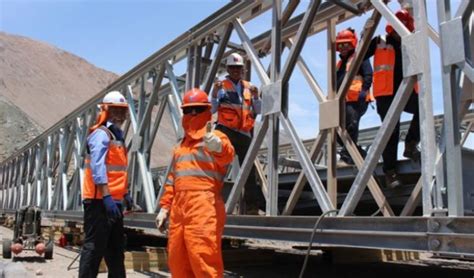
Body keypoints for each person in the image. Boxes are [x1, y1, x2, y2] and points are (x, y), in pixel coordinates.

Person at [155, 89, 235, 278]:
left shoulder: (215, 138)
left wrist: (218, 147)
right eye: (188, 110)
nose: (192, 115)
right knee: (178, 261)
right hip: (179, 210)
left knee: (203, 260)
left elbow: (227, 155)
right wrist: (165, 208)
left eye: (197, 110)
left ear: (206, 110)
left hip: (203, 207)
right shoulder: (181, 147)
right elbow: (172, 180)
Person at [79, 91, 134, 278]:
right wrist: (107, 196)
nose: (120, 114)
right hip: (98, 202)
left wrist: (124, 194)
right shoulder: (101, 134)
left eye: (122, 110)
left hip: (113, 202)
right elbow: (98, 166)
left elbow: (118, 170)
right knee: (94, 249)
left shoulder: (117, 136)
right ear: (106, 110)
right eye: (115, 110)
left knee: (116, 250)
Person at [365, 9, 421, 188]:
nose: (401, 28)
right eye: (399, 24)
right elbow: (361, 54)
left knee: (423, 108)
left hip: (408, 91)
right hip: (386, 93)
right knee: (391, 131)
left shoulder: (411, 43)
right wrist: (365, 34)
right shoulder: (380, 40)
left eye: (404, 25)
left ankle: (411, 144)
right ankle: (390, 172)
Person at [211, 52, 265, 214]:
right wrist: (214, 94)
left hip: (243, 133)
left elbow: (259, 110)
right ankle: (211, 201)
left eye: (239, 68)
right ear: (228, 68)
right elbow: (212, 109)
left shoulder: (249, 87)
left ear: (243, 70)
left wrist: (256, 97)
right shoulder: (221, 86)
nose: (236, 71)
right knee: (218, 167)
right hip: (225, 131)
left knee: (249, 170)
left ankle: (252, 208)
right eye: (233, 68)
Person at [335, 28, 373, 166]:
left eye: (346, 44)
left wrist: (364, 91)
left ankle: (346, 158)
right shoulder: (339, 64)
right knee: (335, 130)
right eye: (340, 45)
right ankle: (359, 153)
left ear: (352, 43)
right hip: (343, 101)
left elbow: (368, 74)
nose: (343, 48)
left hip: (357, 99)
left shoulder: (360, 57)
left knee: (351, 125)